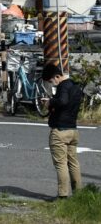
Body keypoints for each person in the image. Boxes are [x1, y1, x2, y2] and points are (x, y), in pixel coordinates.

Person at [41, 64, 83, 199]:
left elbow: (63, 101)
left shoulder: (63, 86)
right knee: (73, 163)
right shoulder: (75, 86)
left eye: (51, 81)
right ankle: (78, 195)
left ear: (57, 76)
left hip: (60, 131)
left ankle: (63, 196)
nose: (51, 84)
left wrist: (50, 102)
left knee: (61, 164)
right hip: (73, 130)